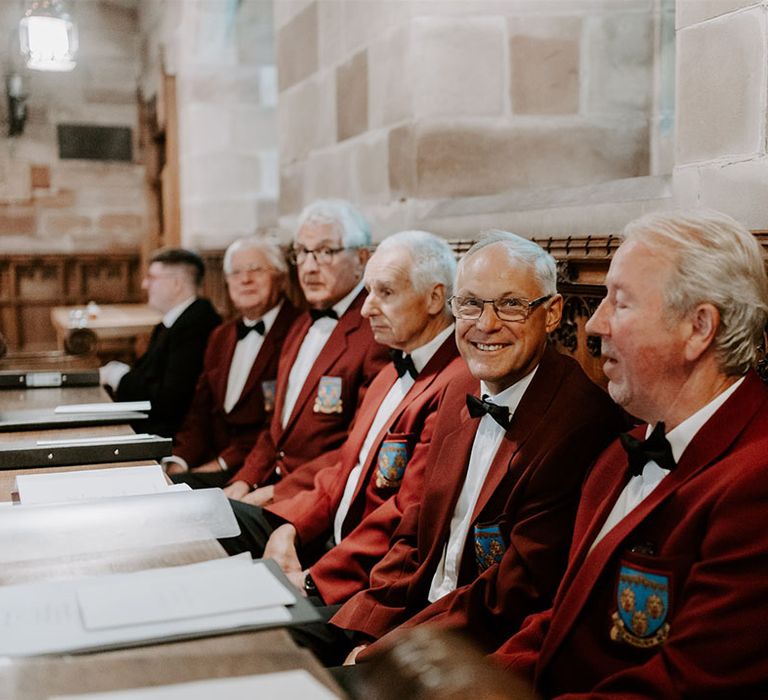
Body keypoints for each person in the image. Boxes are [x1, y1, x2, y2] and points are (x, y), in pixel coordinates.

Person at [493, 210, 768, 697]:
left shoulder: (754, 482)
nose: (594, 325)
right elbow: (563, 621)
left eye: (619, 303)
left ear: (698, 328)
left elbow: (682, 688)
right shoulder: (619, 454)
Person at [330, 231, 624, 665]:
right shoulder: (460, 386)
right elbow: (414, 530)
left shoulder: (579, 422)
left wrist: (381, 653)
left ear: (552, 314)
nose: (485, 324)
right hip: (412, 615)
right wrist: (364, 623)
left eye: (511, 305)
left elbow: (513, 593)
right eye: (470, 304)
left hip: (475, 650)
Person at [222, 230, 468, 611]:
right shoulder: (393, 368)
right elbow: (344, 469)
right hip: (323, 535)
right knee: (216, 517)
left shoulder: (455, 383)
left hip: (363, 573)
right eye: (368, 292)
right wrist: (292, 527)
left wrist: (312, 579)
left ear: (436, 298)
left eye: (385, 293)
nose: (368, 308)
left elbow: (405, 516)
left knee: (242, 615)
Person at [223, 200, 389, 502]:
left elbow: (359, 444)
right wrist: (245, 481)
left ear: (362, 258)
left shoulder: (375, 333)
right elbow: (275, 430)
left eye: (326, 252)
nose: (310, 267)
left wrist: (278, 492)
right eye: (302, 252)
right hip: (268, 485)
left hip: (318, 499)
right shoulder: (300, 325)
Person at [164, 235, 300, 487]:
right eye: (236, 272)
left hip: (261, 472)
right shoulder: (221, 335)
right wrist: (178, 461)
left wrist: (218, 465)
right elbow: (199, 412)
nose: (245, 279)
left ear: (280, 277)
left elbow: (278, 426)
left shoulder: (299, 331)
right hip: (209, 461)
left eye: (255, 270)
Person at [99, 247, 221, 438]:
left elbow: (168, 402)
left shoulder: (196, 325)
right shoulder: (172, 323)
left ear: (176, 284)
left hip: (168, 436)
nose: (144, 285)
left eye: (152, 278)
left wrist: (119, 377)